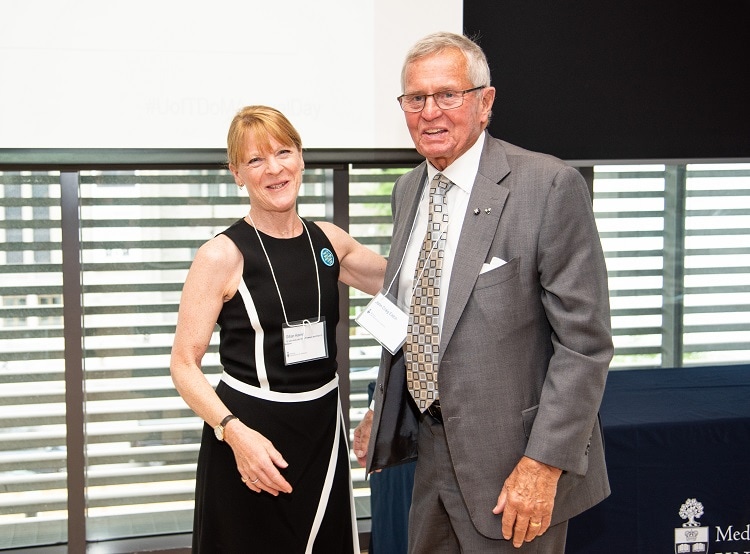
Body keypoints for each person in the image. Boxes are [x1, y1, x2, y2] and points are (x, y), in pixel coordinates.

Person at [353, 32, 613, 552]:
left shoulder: (549, 187)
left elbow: (584, 346)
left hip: (515, 466)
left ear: (485, 102)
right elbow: (415, 309)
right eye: (416, 99)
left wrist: (544, 464)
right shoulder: (409, 190)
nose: (431, 112)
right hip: (431, 455)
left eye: (449, 94)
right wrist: (380, 408)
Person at [170, 105, 386, 553]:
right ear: (237, 174)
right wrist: (233, 432)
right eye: (255, 160)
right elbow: (183, 365)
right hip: (250, 435)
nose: (274, 169)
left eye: (283, 152)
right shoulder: (220, 256)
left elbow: (406, 286)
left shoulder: (329, 241)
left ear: (301, 157)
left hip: (323, 428)